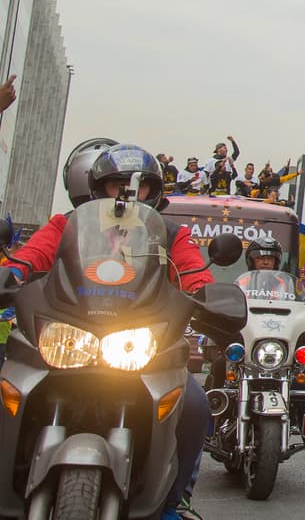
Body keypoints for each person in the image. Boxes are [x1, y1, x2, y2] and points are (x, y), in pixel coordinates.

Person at [1, 143, 214, 518]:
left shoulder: (169, 233)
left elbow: (195, 274)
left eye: (142, 186)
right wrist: (11, 272)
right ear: (99, 189)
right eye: (117, 183)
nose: (130, 192)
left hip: (140, 345)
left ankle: (174, 499)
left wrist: (207, 294)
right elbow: (30, 256)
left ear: (155, 191)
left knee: (195, 405)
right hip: (67, 338)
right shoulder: (66, 225)